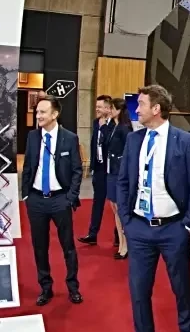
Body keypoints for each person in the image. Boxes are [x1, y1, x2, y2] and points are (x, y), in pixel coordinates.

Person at [117, 84, 190, 332]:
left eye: (141, 104)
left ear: (156, 109)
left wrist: (188, 226)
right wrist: (127, 222)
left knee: (182, 290)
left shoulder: (184, 141)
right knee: (139, 292)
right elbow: (124, 182)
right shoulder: (134, 140)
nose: (136, 109)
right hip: (140, 230)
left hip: (173, 230)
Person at [19, 96, 82, 305]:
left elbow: (77, 170)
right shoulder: (32, 137)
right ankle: (45, 288)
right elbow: (28, 167)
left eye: (42, 112)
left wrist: (70, 197)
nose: (38, 116)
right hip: (36, 200)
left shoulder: (69, 138)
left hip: (60, 200)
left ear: (55, 114)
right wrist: (26, 194)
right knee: (39, 246)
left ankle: (73, 287)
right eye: (37, 112)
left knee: (68, 246)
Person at [79, 95, 118, 247]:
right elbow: (94, 144)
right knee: (97, 203)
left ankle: (118, 236)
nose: (97, 109)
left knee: (115, 204)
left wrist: (104, 127)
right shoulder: (96, 123)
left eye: (100, 107)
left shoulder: (114, 125)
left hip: (112, 169)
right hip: (99, 169)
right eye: (96, 106)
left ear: (108, 108)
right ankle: (92, 234)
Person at [106, 98, 131, 261]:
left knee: (120, 209)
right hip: (111, 171)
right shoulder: (113, 126)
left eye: (112, 108)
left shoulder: (124, 129)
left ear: (119, 110)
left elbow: (128, 152)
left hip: (119, 173)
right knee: (114, 208)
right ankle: (121, 243)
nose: (109, 111)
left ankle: (126, 245)